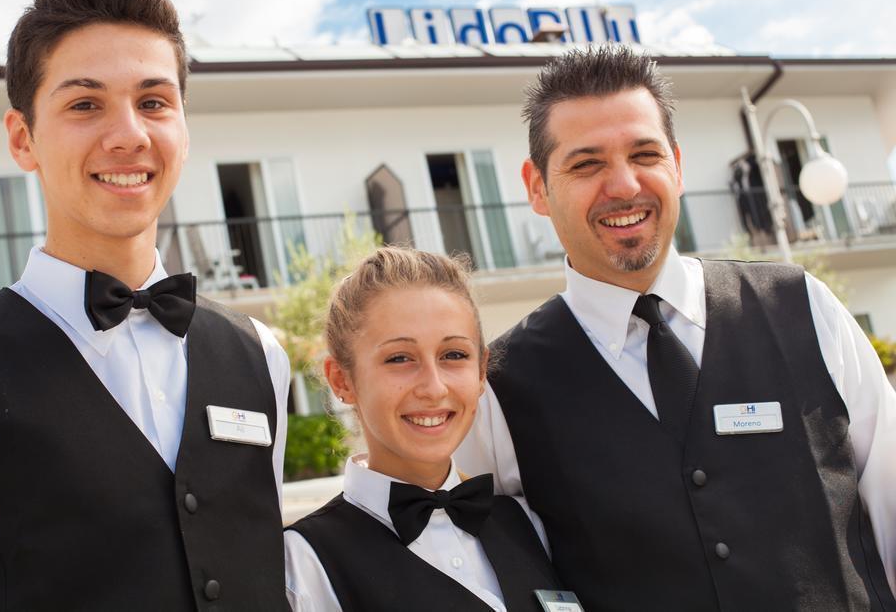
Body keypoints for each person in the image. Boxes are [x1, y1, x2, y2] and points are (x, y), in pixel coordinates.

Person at [0, 0, 290, 611]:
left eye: (153, 102)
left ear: (184, 128)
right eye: (85, 104)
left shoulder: (262, 356)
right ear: (23, 139)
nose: (129, 135)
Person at [455, 45, 896, 611]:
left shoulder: (802, 305)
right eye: (587, 164)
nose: (624, 185)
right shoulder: (500, 383)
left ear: (678, 166)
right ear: (537, 187)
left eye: (645, 154)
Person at [285, 247, 563, 611]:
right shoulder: (304, 566)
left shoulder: (530, 524)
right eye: (399, 358)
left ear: (481, 372)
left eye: (454, 355)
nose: (434, 388)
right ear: (342, 380)